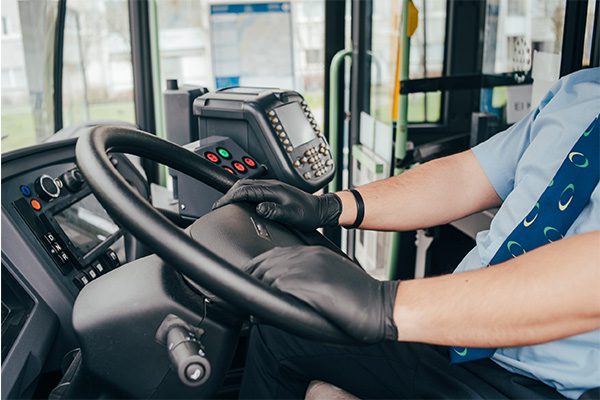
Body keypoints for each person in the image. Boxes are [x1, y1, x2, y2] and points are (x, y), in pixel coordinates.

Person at [213, 67, 600, 399]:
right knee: (284, 330)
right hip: (454, 344)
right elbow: (467, 176)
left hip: (549, 386)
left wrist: (383, 303)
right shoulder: (579, 93)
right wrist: (331, 207)